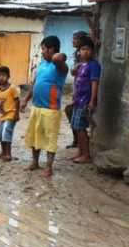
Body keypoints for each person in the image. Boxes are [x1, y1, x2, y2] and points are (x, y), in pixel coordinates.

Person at [20, 35, 68, 177]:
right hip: (36, 106)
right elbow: (34, 84)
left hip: (51, 109)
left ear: (52, 49)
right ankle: (35, 162)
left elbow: (59, 58)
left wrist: (60, 55)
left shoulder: (60, 66)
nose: (41, 52)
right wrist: (25, 100)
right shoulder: (42, 64)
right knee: (35, 135)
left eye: (43, 49)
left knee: (50, 138)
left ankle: (49, 167)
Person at [70, 36, 101, 164]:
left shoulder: (94, 65)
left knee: (81, 128)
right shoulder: (82, 65)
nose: (85, 52)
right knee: (76, 127)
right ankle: (80, 152)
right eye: (83, 49)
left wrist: (92, 101)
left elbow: (95, 83)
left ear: (92, 51)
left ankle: (86, 155)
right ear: (79, 51)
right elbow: (77, 80)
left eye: (88, 49)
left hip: (85, 101)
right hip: (78, 101)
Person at [65, 30, 89, 148]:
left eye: (75, 38)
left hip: (84, 91)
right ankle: (76, 141)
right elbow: (74, 71)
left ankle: (79, 142)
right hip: (77, 88)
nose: (72, 41)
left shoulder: (85, 55)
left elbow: (76, 70)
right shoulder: (77, 53)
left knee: (73, 113)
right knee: (71, 112)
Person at [0, 66, 20, 161]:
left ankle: (8, 154)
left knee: (7, 133)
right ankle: (3, 152)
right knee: (0, 134)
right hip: (2, 115)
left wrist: (17, 114)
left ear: (8, 77)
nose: (1, 77)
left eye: (3, 75)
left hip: (11, 114)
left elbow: (17, 101)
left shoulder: (12, 88)